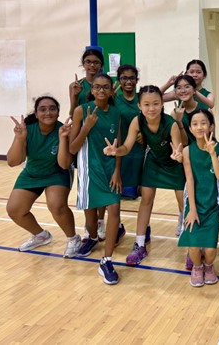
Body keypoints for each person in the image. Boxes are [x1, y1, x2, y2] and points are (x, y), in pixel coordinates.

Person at [103, 85, 185, 266]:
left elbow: (179, 150)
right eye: (146, 104)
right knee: (146, 200)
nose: (151, 108)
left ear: (162, 104)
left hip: (174, 165)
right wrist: (116, 151)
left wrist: (178, 156)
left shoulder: (171, 124)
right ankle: (139, 244)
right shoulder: (137, 121)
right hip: (154, 162)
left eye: (156, 103)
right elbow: (127, 147)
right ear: (139, 106)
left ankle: (191, 247)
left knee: (183, 205)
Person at [6, 96, 81, 258]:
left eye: (52, 109)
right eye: (43, 109)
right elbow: (12, 161)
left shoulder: (63, 130)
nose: (48, 112)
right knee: (14, 209)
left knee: (56, 205)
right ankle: (41, 236)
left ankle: (73, 239)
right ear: (36, 113)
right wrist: (20, 138)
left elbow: (64, 164)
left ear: (58, 112)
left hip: (57, 172)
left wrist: (63, 138)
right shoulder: (27, 130)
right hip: (32, 173)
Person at [69, 73, 124, 285]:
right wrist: (86, 127)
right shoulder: (81, 110)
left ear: (111, 91)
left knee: (114, 209)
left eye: (106, 87)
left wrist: (117, 170)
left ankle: (106, 260)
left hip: (110, 169)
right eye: (97, 87)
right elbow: (73, 147)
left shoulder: (116, 113)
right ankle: (92, 238)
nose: (101, 90)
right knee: (91, 220)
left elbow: (118, 145)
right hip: (89, 169)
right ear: (91, 90)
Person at [178, 110, 219, 287]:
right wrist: (192, 209)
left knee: (210, 250)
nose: (199, 127)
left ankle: (208, 266)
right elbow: (189, 180)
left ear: (211, 126)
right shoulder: (187, 151)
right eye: (195, 124)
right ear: (190, 129)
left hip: (212, 205)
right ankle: (197, 267)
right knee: (193, 247)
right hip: (194, 203)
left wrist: (212, 153)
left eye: (204, 123)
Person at [68, 47, 108, 240]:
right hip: (83, 136)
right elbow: (72, 113)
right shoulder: (76, 85)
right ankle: (89, 224)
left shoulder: (106, 84)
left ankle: (100, 220)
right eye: (88, 62)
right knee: (87, 181)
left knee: (103, 178)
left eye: (96, 62)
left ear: (101, 65)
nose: (92, 65)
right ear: (83, 64)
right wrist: (74, 96)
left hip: (102, 135)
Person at [114, 64, 144, 201]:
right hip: (121, 149)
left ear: (136, 80)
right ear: (119, 80)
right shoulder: (114, 100)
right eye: (124, 78)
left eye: (132, 78)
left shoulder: (142, 99)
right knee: (118, 193)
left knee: (141, 192)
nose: (128, 81)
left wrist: (145, 133)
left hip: (140, 149)